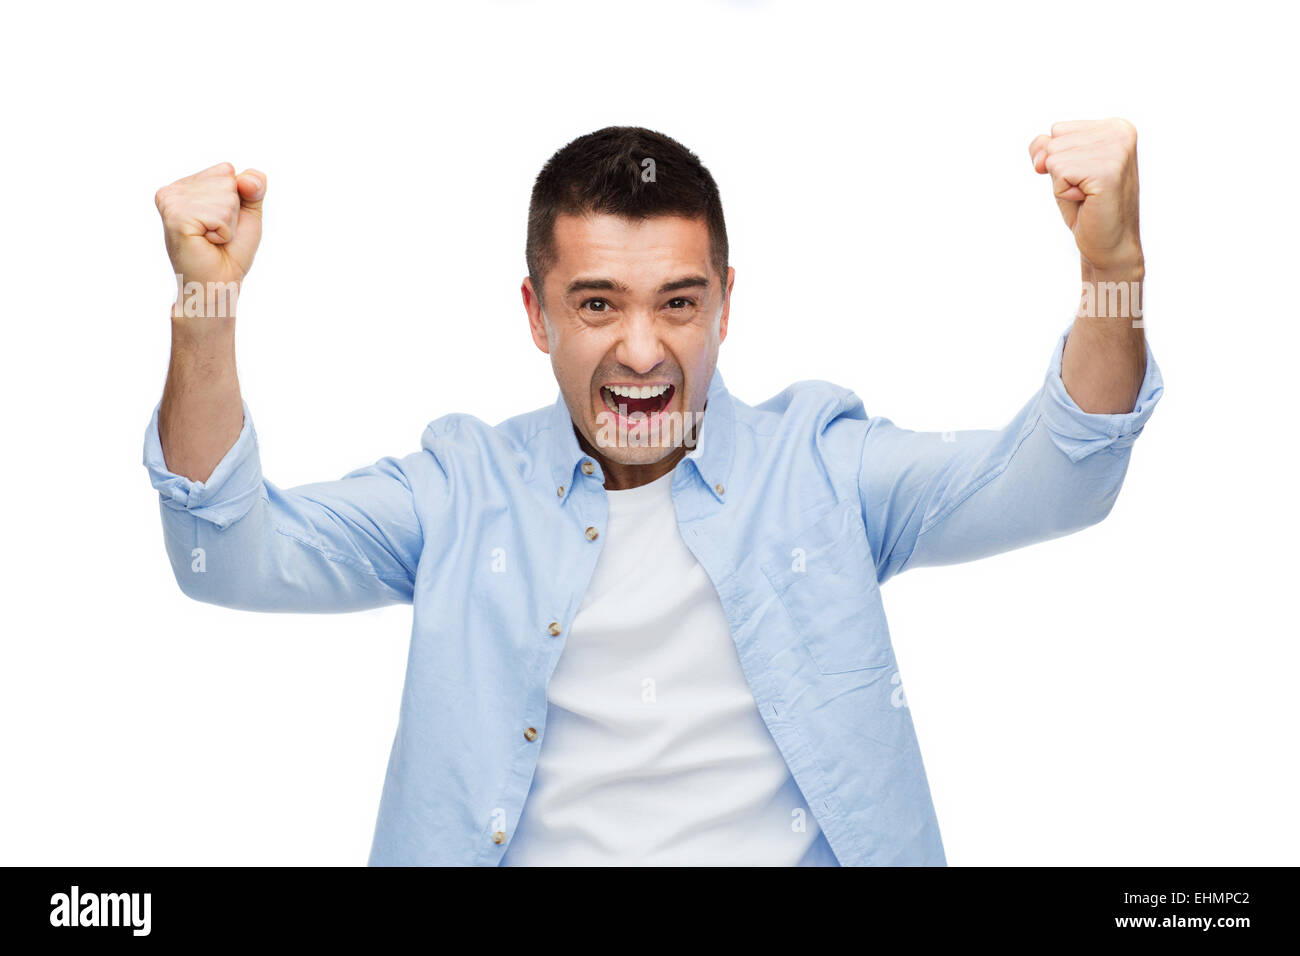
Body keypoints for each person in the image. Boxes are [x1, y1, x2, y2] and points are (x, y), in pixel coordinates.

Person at [144, 123, 1163, 866]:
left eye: (678, 302)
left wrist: (1110, 264)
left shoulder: (822, 468)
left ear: (726, 303)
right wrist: (204, 306)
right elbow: (221, 557)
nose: (642, 348)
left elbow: (1062, 480)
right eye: (597, 304)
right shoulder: (461, 493)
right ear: (537, 317)